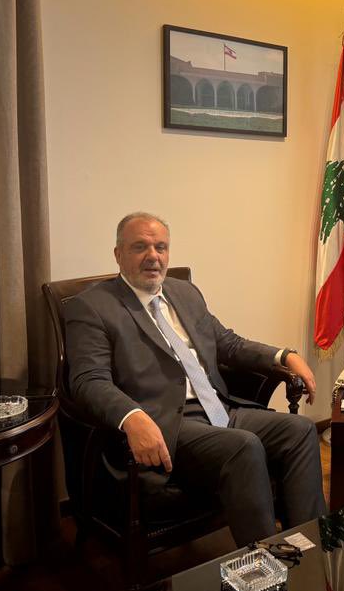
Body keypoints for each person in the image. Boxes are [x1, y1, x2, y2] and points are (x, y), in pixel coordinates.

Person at [65, 212, 326, 547]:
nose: (153, 256)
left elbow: (228, 343)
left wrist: (284, 356)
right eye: (140, 247)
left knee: (300, 430)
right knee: (244, 446)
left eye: (161, 247)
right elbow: (88, 381)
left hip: (218, 408)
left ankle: (310, 546)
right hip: (167, 424)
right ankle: (267, 561)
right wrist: (132, 417)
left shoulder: (184, 292)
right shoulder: (92, 307)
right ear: (118, 254)